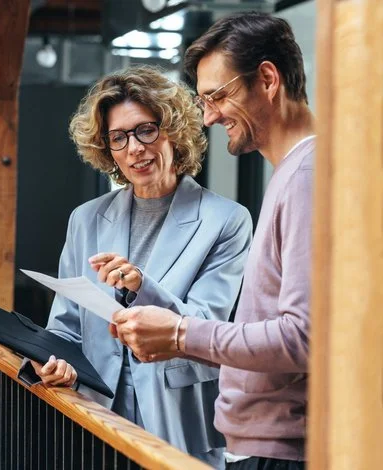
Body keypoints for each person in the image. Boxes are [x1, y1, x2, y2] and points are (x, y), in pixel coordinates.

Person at [18, 65, 252, 467]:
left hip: (176, 411)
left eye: (146, 130)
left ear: (173, 131)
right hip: (99, 405)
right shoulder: (86, 219)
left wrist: (144, 284)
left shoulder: (226, 220)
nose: (135, 148)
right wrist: (58, 365)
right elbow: (66, 327)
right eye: (118, 138)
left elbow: (204, 326)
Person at [110, 13, 314, 470]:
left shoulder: (306, 176)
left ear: (267, 79)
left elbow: (303, 337)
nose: (208, 115)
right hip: (257, 445)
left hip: (278, 451)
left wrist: (180, 333)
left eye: (217, 96)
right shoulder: (293, 173)